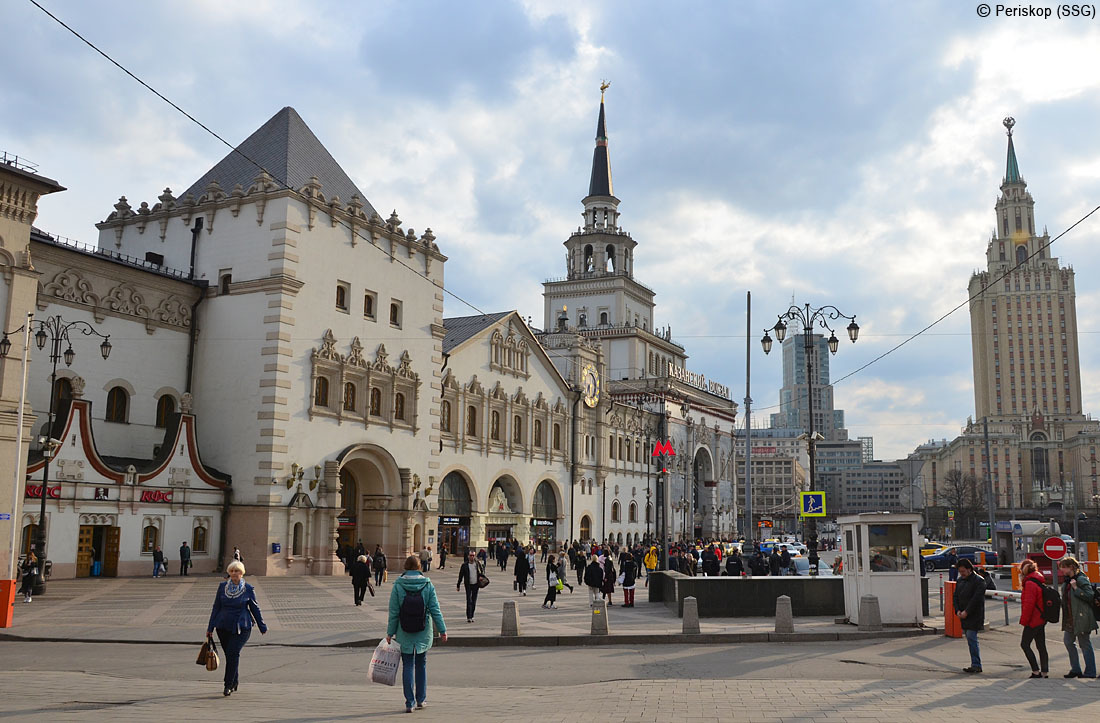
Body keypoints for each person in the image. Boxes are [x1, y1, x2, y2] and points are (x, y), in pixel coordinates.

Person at [386, 555, 447, 713]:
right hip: (423, 630)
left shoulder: (398, 585)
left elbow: (394, 612)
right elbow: (435, 610)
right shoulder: (427, 585)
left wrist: (390, 633)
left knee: (407, 665)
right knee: (421, 664)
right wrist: (442, 630)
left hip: (403, 631)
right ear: (420, 567)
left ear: (405, 567)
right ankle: (421, 699)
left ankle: (409, 703)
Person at [206, 560, 267, 696]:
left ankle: (227, 685)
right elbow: (216, 607)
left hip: (241, 626)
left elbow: (255, 608)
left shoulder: (248, 589)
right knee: (230, 655)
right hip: (223, 626)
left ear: (242, 573)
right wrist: (210, 628)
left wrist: (262, 626)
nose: (234, 574)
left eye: (237, 571)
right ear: (229, 573)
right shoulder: (222, 587)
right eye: (232, 571)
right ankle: (235, 681)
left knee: (233, 653)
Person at [1057, 557, 1097, 678]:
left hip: (1082, 617)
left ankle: (1090, 672)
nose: (1062, 570)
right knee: (1068, 642)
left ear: (1071, 567)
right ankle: (1075, 669)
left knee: (1084, 644)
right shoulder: (1067, 580)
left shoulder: (1081, 579)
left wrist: (1076, 588)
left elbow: (1090, 595)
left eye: (1063, 567)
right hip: (1070, 618)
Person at [953, 558, 986, 673]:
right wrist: (957, 610)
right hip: (963, 614)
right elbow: (955, 597)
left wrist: (966, 611)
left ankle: (976, 664)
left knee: (972, 638)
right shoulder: (960, 581)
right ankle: (975, 663)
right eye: (960, 572)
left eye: (963, 571)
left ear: (969, 569)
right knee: (970, 639)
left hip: (974, 615)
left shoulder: (979, 581)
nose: (961, 574)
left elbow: (976, 600)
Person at [1018, 559, 1049, 678]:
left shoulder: (1030, 583)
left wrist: (1024, 621)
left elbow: (1029, 605)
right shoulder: (1038, 580)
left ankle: (1035, 671)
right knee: (1041, 646)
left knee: (1025, 644)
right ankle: (1045, 671)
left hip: (1033, 620)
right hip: (1041, 618)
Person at [457, 549, 484, 622]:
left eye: (473, 555)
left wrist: (481, 576)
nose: (472, 557)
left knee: (474, 601)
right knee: (469, 600)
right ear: (468, 556)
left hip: (476, 584)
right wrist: (458, 585)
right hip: (468, 585)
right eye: (470, 555)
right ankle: (468, 617)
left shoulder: (477, 564)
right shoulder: (464, 565)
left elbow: (482, 571)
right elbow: (460, 575)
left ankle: (472, 615)